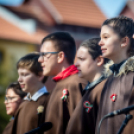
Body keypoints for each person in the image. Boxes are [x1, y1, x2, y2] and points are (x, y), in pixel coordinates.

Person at [38, 32, 87, 134]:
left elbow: (81, 127)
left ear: (60, 56)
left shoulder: (75, 83)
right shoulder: (60, 84)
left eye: (44, 55)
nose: (39, 59)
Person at [96, 16, 134, 134]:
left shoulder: (132, 78)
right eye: (100, 38)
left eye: (106, 37)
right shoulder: (109, 78)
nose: (99, 42)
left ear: (124, 41)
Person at [65, 38, 108, 134]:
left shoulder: (104, 89)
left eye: (82, 59)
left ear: (99, 60)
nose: (76, 64)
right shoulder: (91, 89)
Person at [11, 52, 49, 134]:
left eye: (24, 75)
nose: (19, 80)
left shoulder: (49, 102)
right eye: (19, 75)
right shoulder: (23, 104)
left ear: (40, 75)